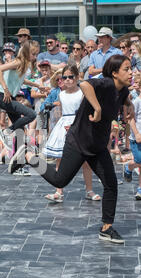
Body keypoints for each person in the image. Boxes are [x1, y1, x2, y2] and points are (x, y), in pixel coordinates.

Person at [9, 54, 135, 244]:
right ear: (115, 73)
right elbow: (85, 85)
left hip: (98, 146)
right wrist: (97, 108)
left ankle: (106, 228)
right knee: (60, 180)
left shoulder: (122, 90)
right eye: (126, 69)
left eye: (130, 68)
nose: (131, 72)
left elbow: (123, 99)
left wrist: (130, 105)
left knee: (111, 184)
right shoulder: (106, 84)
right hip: (78, 142)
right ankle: (28, 156)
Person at [42, 64, 101, 203]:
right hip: (64, 125)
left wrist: (77, 126)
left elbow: (84, 111)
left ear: (77, 77)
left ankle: (89, 190)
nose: (68, 80)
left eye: (71, 77)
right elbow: (62, 112)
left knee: (86, 161)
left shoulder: (82, 93)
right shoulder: (61, 94)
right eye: (65, 77)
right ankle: (59, 191)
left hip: (78, 125)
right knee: (60, 158)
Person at [0, 40, 44, 152]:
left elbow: (22, 80)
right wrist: (6, 89)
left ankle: (18, 164)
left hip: (9, 98)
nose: (35, 57)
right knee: (31, 114)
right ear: (26, 52)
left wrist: (37, 85)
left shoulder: (24, 64)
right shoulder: (18, 62)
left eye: (36, 54)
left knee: (20, 131)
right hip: (4, 97)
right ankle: (6, 131)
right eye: (33, 54)